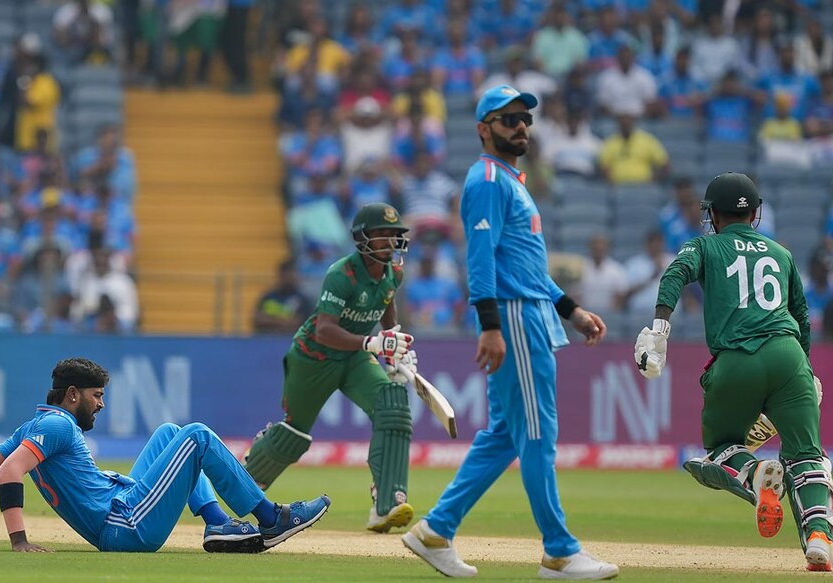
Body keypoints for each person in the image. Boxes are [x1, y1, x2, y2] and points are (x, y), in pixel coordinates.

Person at [402, 84, 618, 580]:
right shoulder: (486, 182)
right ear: (483, 129)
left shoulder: (510, 180)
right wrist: (491, 327)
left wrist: (572, 310)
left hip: (531, 313)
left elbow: (525, 266)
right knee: (538, 434)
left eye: (525, 119)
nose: (521, 126)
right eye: (508, 119)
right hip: (516, 319)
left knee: (504, 435)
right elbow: (479, 261)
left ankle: (436, 531)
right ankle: (560, 551)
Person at [634, 173, 833, 572]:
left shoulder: (705, 245)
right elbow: (801, 316)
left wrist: (660, 328)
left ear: (712, 214)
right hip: (788, 356)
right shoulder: (781, 253)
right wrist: (807, 370)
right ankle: (818, 537)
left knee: (722, 448)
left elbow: (675, 274)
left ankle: (754, 473)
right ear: (756, 213)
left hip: (736, 361)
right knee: (807, 456)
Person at [0, 357, 330, 553]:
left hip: (120, 508)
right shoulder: (59, 427)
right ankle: (271, 517)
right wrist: (19, 540)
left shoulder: (33, 426)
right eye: (97, 395)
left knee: (169, 434)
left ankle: (217, 523)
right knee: (197, 435)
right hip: (126, 525)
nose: (101, 404)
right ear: (72, 394)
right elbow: (9, 472)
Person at [244, 202, 418, 534]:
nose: (390, 242)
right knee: (293, 435)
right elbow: (324, 329)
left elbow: (387, 300)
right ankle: (246, 478)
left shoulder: (394, 272)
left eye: (395, 236)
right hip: (313, 357)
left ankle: (387, 502)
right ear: (363, 238)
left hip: (353, 359)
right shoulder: (342, 274)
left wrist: (394, 344)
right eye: (382, 235)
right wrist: (372, 343)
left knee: (392, 406)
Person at [252, 259, 310, 334]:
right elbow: (258, 319)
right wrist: (284, 322)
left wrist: (271, 321)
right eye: (287, 275)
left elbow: (300, 323)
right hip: (267, 339)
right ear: (280, 275)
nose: (290, 278)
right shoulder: (268, 297)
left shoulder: (302, 300)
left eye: (292, 274)